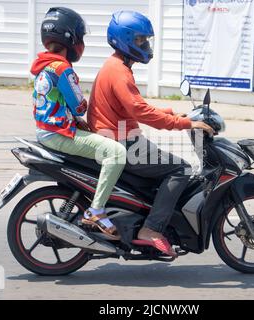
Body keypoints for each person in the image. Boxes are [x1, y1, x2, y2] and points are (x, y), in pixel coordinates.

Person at [87, 11, 214, 256]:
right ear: (124, 40)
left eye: (146, 40)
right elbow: (140, 111)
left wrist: (169, 112)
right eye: (139, 40)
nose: (145, 45)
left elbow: (134, 108)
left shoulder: (115, 66)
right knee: (182, 169)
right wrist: (184, 123)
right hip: (121, 141)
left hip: (118, 135)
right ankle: (152, 229)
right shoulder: (120, 72)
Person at [31, 7, 127, 239]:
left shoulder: (43, 65)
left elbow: (56, 102)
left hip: (47, 130)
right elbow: (78, 105)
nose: (81, 43)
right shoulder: (62, 68)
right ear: (70, 38)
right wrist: (83, 111)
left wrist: (76, 120)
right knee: (116, 153)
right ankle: (96, 211)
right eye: (80, 37)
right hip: (58, 133)